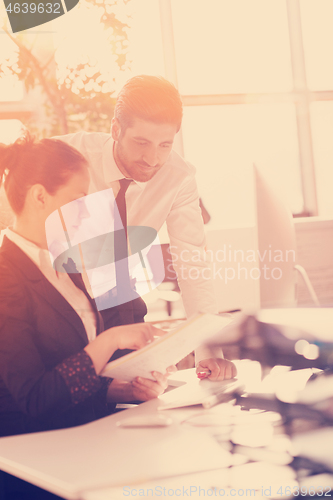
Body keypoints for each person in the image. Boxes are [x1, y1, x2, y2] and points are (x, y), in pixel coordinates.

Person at [56, 75, 237, 381]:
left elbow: (193, 262)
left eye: (164, 145)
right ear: (116, 129)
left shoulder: (178, 177)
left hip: (121, 300)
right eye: (141, 143)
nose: (153, 159)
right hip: (61, 298)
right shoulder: (68, 156)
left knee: (140, 391)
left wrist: (208, 351)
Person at [0, 133, 170, 441]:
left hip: (88, 438)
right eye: (78, 200)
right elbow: (35, 399)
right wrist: (111, 339)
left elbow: (68, 372)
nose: (87, 212)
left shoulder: (64, 264)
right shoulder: (5, 277)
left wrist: (125, 389)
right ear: (40, 197)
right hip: (36, 456)